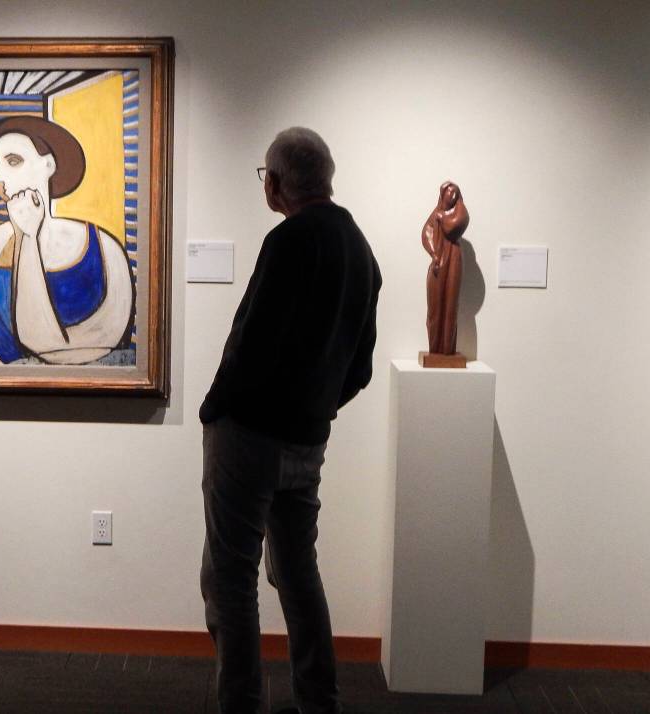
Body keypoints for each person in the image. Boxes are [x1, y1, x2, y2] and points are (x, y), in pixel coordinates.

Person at [199, 127, 381, 714]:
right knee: (298, 573)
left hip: (249, 436)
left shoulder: (288, 241)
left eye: (264, 177)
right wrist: (317, 408)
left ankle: (241, 704)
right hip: (307, 440)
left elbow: (250, 343)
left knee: (231, 578)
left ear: (276, 182)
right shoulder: (360, 249)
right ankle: (318, 701)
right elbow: (359, 367)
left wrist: (214, 408)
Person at [0, 116, 134, 365]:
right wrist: (28, 237)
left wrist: (29, 236)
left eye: (13, 161)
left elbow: (104, 342)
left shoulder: (103, 247)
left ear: (48, 165)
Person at [421, 181, 469, 355]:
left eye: (455, 191)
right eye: (448, 191)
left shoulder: (460, 211)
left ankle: (447, 349)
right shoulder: (436, 212)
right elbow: (426, 232)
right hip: (438, 261)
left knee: (450, 305)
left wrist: (442, 217)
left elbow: (453, 228)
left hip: (453, 259)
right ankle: (434, 348)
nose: (452, 194)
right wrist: (434, 254)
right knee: (435, 305)